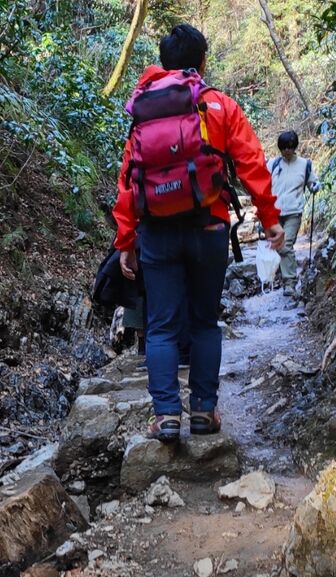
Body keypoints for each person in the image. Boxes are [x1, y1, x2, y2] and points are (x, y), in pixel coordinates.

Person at [114, 24, 284, 442]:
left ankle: (167, 416)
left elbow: (128, 181)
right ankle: (205, 413)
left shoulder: (143, 111)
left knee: (162, 327)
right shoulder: (219, 106)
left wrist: (126, 241)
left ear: (162, 63)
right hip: (209, 227)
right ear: (202, 61)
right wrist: (270, 218)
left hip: (157, 232)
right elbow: (251, 164)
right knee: (205, 322)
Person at [269, 130, 320, 287]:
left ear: (295, 147)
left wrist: (315, 186)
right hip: (274, 213)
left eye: (290, 147)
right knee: (277, 246)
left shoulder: (305, 165)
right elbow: (262, 185)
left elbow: (312, 183)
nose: (287, 151)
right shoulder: (273, 164)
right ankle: (282, 275)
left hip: (293, 213)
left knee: (286, 245)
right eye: (284, 147)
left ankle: (290, 283)